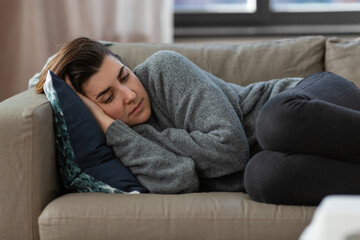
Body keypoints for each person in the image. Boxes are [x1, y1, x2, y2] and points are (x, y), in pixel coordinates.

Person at [35, 37, 360, 206]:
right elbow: (180, 181)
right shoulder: (121, 142)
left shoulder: (163, 70)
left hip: (307, 104)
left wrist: (139, 133)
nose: (129, 95)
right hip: (271, 155)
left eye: (125, 76)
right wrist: (112, 130)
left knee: (272, 122)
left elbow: (229, 149)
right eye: (108, 98)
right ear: (95, 113)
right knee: (261, 178)